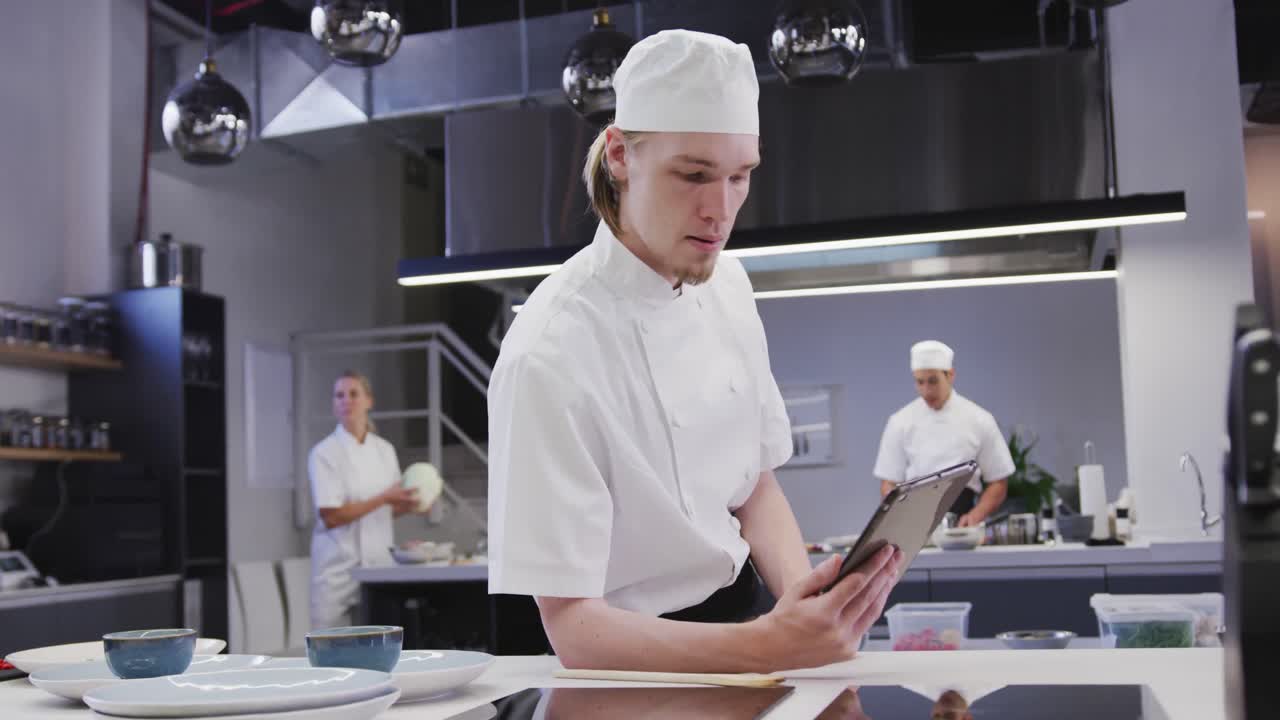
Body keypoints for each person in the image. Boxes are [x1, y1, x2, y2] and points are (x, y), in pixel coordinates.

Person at [487, 29, 902, 673]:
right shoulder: (549, 351)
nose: (721, 210)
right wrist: (768, 644)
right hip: (629, 672)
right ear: (621, 154)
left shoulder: (729, 284)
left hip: (747, 632)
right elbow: (573, 627)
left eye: (740, 177)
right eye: (694, 175)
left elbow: (755, 486)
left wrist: (809, 612)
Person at [308, 370, 422, 630]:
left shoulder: (384, 450)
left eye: (353, 394)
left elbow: (387, 509)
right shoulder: (324, 453)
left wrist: (414, 504)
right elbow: (332, 516)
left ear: (369, 401)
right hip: (337, 572)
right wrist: (384, 497)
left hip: (378, 567)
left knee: (378, 648)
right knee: (331, 655)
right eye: (339, 396)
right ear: (333, 404)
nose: (346, 400)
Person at [873, 341, 1016, 527]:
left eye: (933, 381)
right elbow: (888, 483)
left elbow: (998, 481)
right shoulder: (900, 421)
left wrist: (975, 516)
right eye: (919, 382)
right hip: (913, 519)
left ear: (950, 375)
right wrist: (902, 517)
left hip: (961, 517)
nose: (926, 390)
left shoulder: (979, 419)